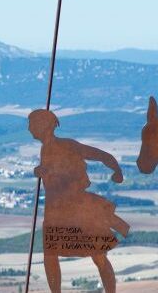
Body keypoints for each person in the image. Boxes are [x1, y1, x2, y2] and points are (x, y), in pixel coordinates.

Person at [29, 109, 129, 293]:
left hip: (76, 208)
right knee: (50, 255)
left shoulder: (68, 146)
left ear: (43, 126)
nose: (29, 129)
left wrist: (117, 170)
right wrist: (41, 171)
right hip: (55, 210)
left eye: (32, 124)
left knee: (98, 256)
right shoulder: (45, 149)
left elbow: (100, 155)